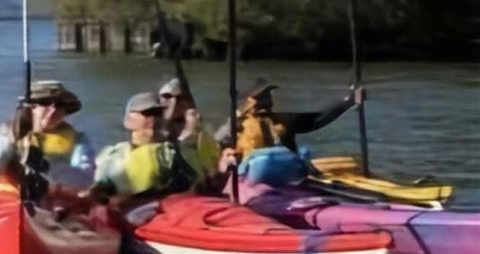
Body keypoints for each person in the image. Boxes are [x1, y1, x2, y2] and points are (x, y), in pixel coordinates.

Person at [0, 79, 95, 196]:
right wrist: (15, 147)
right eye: (45, 102)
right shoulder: (9, 132)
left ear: (66, 111)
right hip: (11, 199)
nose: (53, 109)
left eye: (60, 105)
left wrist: (46, 167)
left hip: (56, 201)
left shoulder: (79, 140)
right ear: (31, 107)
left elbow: (86, 180)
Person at [216, 78, 365, 157]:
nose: (269, 101)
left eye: (268, 96)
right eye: (263, 97)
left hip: (285, 178)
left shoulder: (283, 120)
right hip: (250, 181)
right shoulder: (236, 124)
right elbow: (216, 144)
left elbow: (317, 119)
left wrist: (349, 101)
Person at [91, 91, 194, 201]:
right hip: (127, 210)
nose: (153, 119)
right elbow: (98, 192)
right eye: (147, 114)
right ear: (128, 121)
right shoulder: (111, 156)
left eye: (158, 114)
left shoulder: (172, 154)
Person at [158, 76, 222, 189]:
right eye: (167, 97)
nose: (174, 102)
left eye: (180, 98)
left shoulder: (200, 131)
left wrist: (191, 128)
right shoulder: (157, 125)